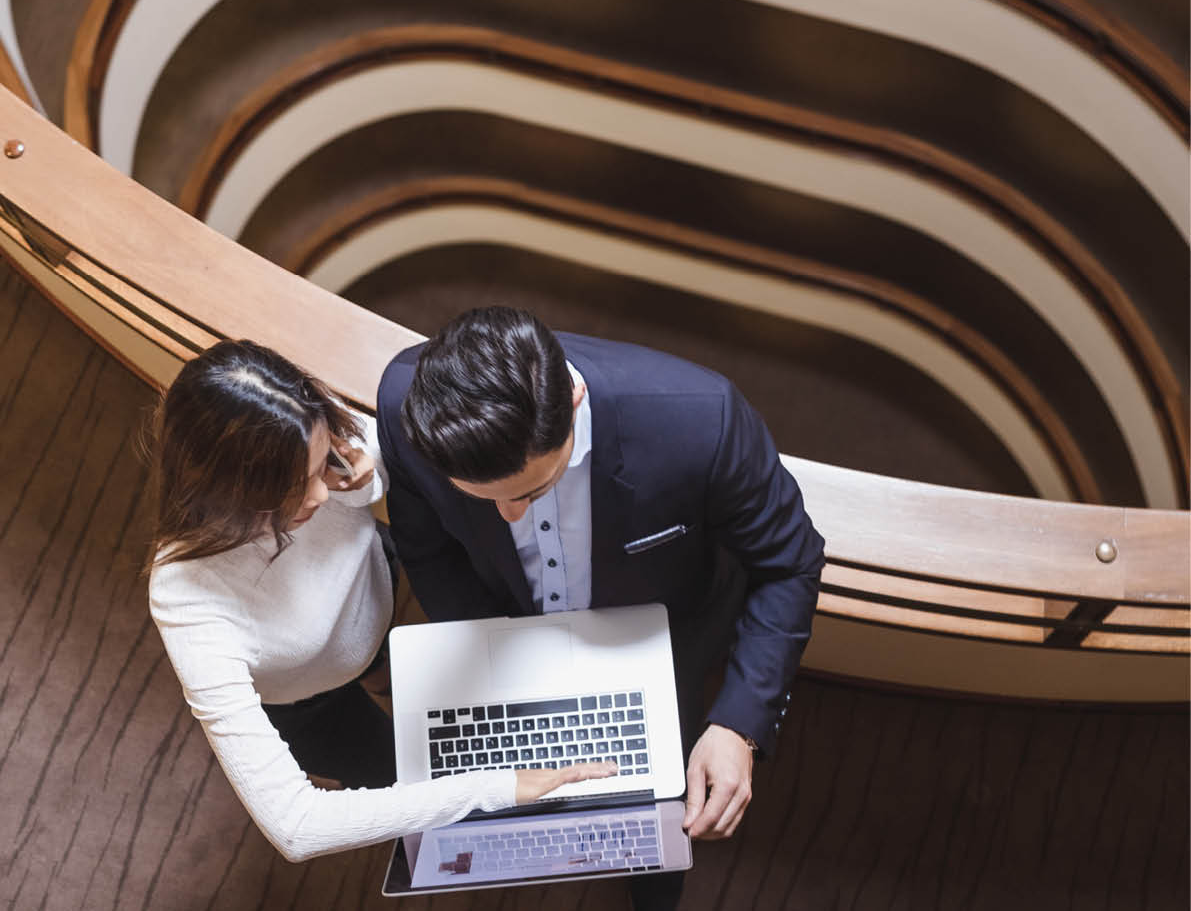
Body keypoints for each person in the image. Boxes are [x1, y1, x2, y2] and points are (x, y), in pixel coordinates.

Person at [376, 308, 825, 904]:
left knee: (659, 815)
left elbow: (789, 562)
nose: (510, 515)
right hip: (509, 631)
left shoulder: (701, 418)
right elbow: (429, 550)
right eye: (484, 499)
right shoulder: (403, 403)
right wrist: (493, 664)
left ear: (576, 396)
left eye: (531, 492)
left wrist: (739, 725)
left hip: (661, 642)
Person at [147, 339, 614, 863]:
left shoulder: (326, 447)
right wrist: (496, 788)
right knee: (394, 773)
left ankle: (381, 672)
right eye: (291, 491)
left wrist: (368, 475)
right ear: (227, 494)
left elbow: (397, 451)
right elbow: (297, 827)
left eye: (321, 464)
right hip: (306, 700)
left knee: (400, 672)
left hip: (377, 605)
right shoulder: (185, 598)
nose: (321, 497)